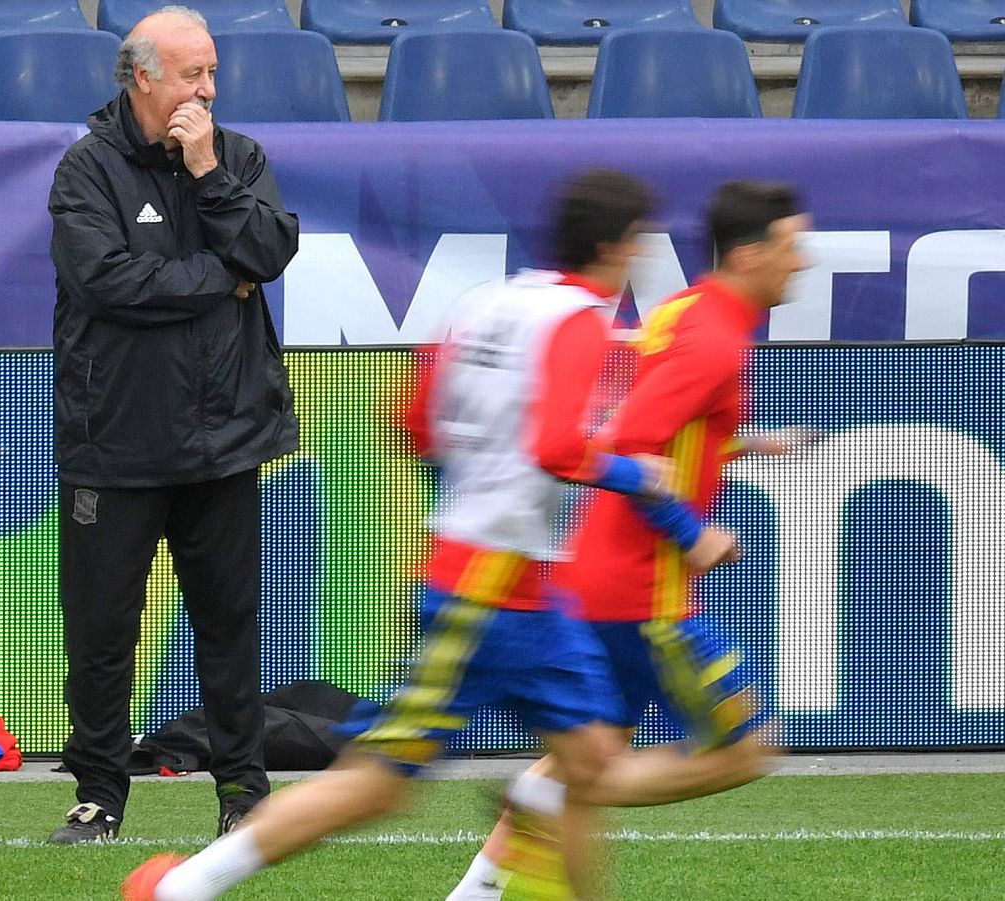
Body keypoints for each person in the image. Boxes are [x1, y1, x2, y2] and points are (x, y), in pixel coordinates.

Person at [123, 170, 739, 901]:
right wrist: (639, 475)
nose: (641, 256)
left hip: (499, 579)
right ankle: (184, 887)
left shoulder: (487, 303)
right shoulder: (577, 317)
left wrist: (485, 467)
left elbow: (412, 422)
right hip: (492, 587)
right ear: (613, 244)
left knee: (589, 765)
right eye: (639, 241)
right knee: (382, 783)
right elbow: (554, 447)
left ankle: (480, 886)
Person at [447, 180, 814, 901]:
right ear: (748, 254)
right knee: (745, 749)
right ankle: (538, 803)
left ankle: (479, 888)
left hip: (600, 578)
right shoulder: (714, 342)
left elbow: (662, 430)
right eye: (792, 247)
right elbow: (630, 442)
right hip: (646, 593)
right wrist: (692, 529)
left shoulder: (687, 311)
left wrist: (744, 443)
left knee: (584, 758)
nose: (801, 262)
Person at [47, 5, 300, 843]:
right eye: (194, 74)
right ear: (144, 76)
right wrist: (215, 278)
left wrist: (207, 173)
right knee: (101, 629)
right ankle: (99, 794)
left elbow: (267, 253)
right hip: (114, 442)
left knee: (228, 622)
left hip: (224, 437)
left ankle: (242, 789)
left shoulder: (237, 158)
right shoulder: (86, 170)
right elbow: (108, 283)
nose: (208, 89)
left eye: (214, 72)